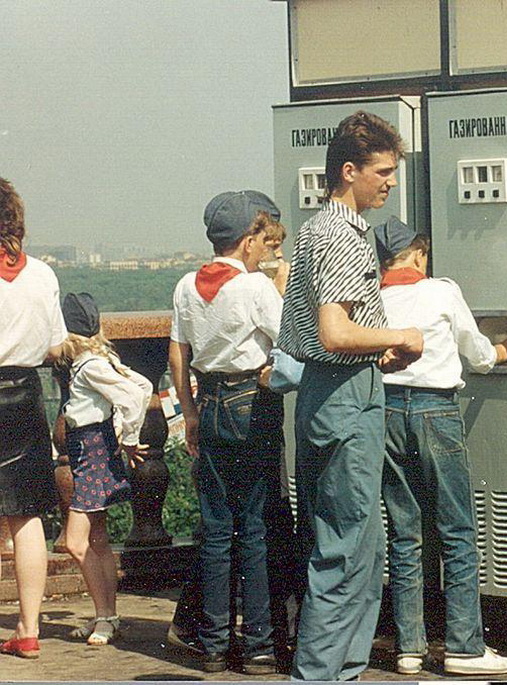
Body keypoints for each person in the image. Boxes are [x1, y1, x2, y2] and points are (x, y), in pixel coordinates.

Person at [277, 110, 423, 681]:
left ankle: (341, 672)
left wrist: (377, 350)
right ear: (348, 170)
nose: (391, 182)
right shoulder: (341, 235)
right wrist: (399, 337)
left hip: (328, 389)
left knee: (359, 549)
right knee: (345, 551)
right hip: (345, 395)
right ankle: (318, 676)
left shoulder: (317, 229)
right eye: (382, 171)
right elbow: (336, 332)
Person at [374, 216, 507, 676]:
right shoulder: (441, 291)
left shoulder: (370, 298)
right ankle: (464, 647)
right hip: (435, 411)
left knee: (404, 532)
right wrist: (504, 351)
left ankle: (409, 649)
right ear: (419, 255)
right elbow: (478, 354)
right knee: (457, 530)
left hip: (386, 412)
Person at [168, 189, 286, 675]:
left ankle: (213, 643)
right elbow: (290, 339)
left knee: (217, 530)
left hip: (210, 402)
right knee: (255, 527)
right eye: (260, 237)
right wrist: (281, 287)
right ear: (247, 240)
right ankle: (258, 645)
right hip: (251, 403)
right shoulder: (255, 287)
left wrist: (190, 413)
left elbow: (178, 354)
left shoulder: (186, 286)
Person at [56, 293, 153, 646]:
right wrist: (121, 433)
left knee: (74, 541)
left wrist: (131, 437)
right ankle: (106, 616)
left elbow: (134, 395)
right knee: (97, 538)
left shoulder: (90, 367)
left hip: (91, 453)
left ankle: (105, 615)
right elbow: (144, 385)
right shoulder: (99, 359)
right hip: (93, 451)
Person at [0, 177, 67, 660]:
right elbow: (56, 345)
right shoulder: (43, 274)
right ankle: (28, 629)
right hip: (23, 395)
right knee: (27, 518)